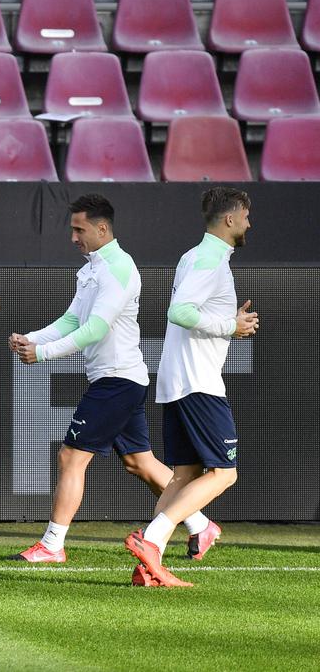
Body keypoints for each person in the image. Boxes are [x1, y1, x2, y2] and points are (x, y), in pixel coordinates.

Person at [10, 194, 214, 574]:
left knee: (71, 457)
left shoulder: (120, 268)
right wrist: (33, 338)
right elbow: (73, 320)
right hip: (122, 379)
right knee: (141, 462)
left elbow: (95, 329)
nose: (73, 237)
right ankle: (200, 525)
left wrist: (43, 354)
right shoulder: (92, 269)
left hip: (117, 381)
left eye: (79, 229)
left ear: (102, 229)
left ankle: (53, 544)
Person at [125, 187, 255, 587]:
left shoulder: (193, 256)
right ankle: (151, 540)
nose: (250, 223)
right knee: (225, 474)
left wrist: (228, 323)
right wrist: (229, 326)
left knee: (184, 476)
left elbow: (191, 309)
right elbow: (180, 312)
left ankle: (147, 567)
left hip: (178, 379)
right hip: (198, 381)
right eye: (247, 216)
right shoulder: (210, 260)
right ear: (230, 219)